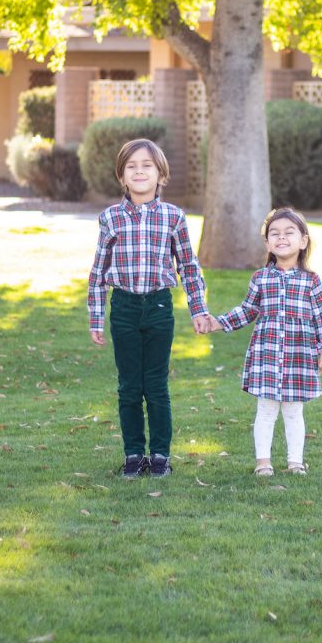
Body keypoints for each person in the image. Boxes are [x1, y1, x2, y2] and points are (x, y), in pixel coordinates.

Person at [88, 138, 209, 478]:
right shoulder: (110, 218)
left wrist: (198, 310)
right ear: (122, 177)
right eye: (132, 167)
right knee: (129, 386)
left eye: (147, 166)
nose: (139, 171)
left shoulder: (173, 217)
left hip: (158, 306)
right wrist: (97, 316)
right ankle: (133, 455)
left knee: (155, 384)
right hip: (124, 307)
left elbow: (188, 266)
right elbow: (98, 272)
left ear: (161, 175)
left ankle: (159, 456)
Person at [208, 208, 322, 476]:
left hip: (299, 354)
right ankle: (263, 463)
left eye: (289, 232)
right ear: (267, 243)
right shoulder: (261, 278)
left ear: (303, 241)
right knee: (265, 410)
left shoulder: (311, 281)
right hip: (267, 354)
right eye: (274, 234)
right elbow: (248, 310)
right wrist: (219, 322)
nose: (281, 238)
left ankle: (295, 462)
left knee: (293, 411)